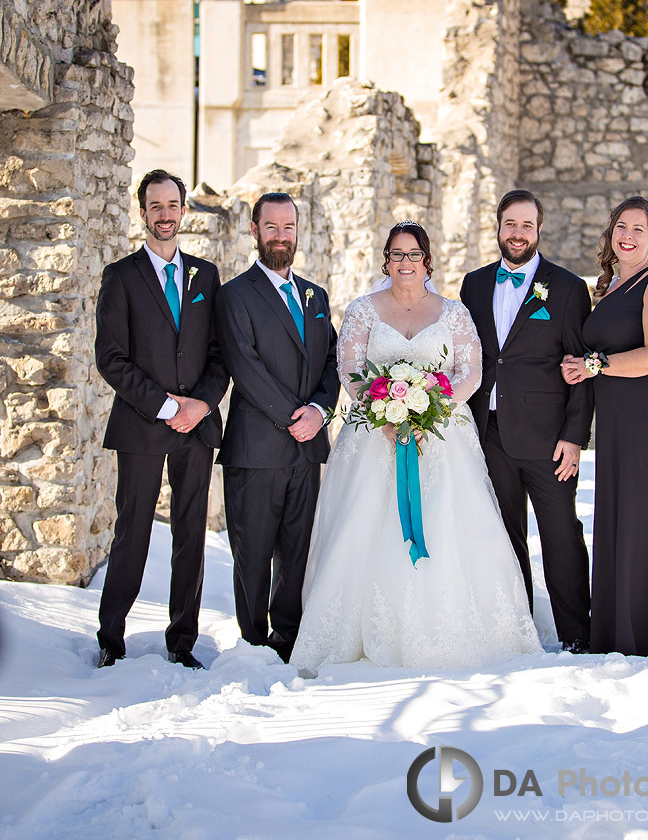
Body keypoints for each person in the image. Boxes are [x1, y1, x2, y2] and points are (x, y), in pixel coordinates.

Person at [291, 221, 540, 672]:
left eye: (414, 254)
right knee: (365, 523)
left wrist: (434, 411)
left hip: (442, 436)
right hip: (373, 434)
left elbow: (472, 370)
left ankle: (454, 633)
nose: (406, 262)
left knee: (451, 524)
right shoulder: (364, 310)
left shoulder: (453, 312)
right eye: (397, 254)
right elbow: (348, 368)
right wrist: (384, 411)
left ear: (428, 260)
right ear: (386, 260)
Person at [95, 169, 229, 670]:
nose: (165, 215)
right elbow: (110, 358)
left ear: (183, 211)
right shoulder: (121, 277)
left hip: (196, 428)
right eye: (156, 206)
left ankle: (182, 641)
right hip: (141, 425)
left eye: (173, 205)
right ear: (143, 211)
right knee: (132, 531)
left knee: (191, 532)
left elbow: (221, 354)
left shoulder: (205, 276)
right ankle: (111, 637)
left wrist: (201, 404)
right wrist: (167, 405)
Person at [561, 196, 648, 658]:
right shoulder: (613, 286)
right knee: (620, 514)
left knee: (646, 517)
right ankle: (619, 629)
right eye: (622, 226)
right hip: (618, 418)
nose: (628, 236)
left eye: (639, 229)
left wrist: (595, 364)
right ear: (611, 233)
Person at [460, 190, 593, 653]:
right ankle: (518, 632)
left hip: (548, 439)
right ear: (498, 227)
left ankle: (578, 634)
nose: (517, 234)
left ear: (539, 231)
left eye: (527, 226)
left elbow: (579, 369)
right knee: (504, 535)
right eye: (510, 224)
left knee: (561, 536)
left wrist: (574, 437)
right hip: (489, 432)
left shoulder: (568, 288)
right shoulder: (473, 285)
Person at [215, 193, 339, 664]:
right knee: (253, 550)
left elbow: (330, 361)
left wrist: (320, 411)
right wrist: (295, 417)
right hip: (256, 447)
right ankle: (252, 642)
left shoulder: (316, 296)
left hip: (307, 450)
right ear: (254, 230)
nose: (281, 236)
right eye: (272, 227)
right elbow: (245, 368)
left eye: (288, 227)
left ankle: (288, 638)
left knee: (296, 549)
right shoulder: (235, 295)